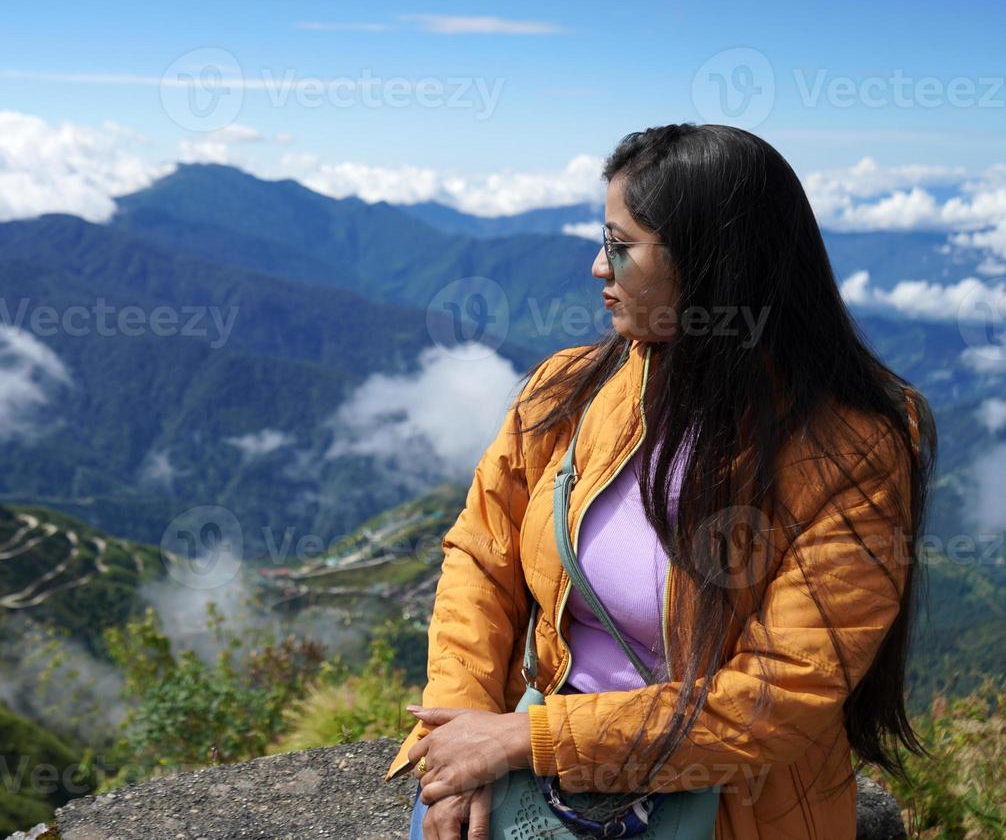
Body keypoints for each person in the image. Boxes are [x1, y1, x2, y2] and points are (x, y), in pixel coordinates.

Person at [392, 123, 935, 840]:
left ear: (711, 265)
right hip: (543, 772)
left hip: (740, 810)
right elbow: (480, 558)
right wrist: (456, 734)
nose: (596, 266)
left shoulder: (851, 450)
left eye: (621, 245)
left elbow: (783, 694)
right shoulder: (566, 392)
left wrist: (525, 740)